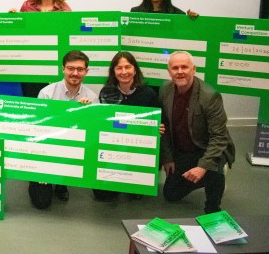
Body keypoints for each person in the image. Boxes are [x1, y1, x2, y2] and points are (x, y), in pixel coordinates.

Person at [160, 51, 235, 214]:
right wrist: (168, 157)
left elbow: (219, 137)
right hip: (185, 150)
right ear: (169, 71)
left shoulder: (210, 96)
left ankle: (213, 195)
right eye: (175, 68)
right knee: (171, 194)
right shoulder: (164, 90)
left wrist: (203, 166)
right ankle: (204, 177)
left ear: (193, 69)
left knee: (213, 169)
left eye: (184, 67)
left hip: (209, 148)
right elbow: (163, 127)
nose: (180, 71)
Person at [29, 50, 98, 209]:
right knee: (42, 202)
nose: (75, 73)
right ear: (63, 69)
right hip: (48, 148)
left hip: (74, 149)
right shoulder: (46, 93)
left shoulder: (92, 98)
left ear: (86, 71)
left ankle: (62, 182)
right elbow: (37, 129)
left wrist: (87, 113)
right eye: (70, 68)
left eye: (80, 69)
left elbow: (93, 134)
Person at [94, 52, 160, 202]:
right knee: (103, 195)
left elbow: (156, 124)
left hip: (138, 149)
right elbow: (103, 124)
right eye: (119, 68)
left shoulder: (148, 93)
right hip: (114, 148)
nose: (124, 72)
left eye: (128, 67)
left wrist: (158, 128)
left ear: (135, 70)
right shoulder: (106, 93)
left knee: (135, 194)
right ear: (113, 72)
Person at [13, 0, 71, 98]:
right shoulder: (27, 6)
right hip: (32, 60)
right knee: (32, 98)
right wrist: (12, 17)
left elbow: (69, 32)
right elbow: (20, 31)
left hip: (55, 59)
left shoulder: (64, 8)